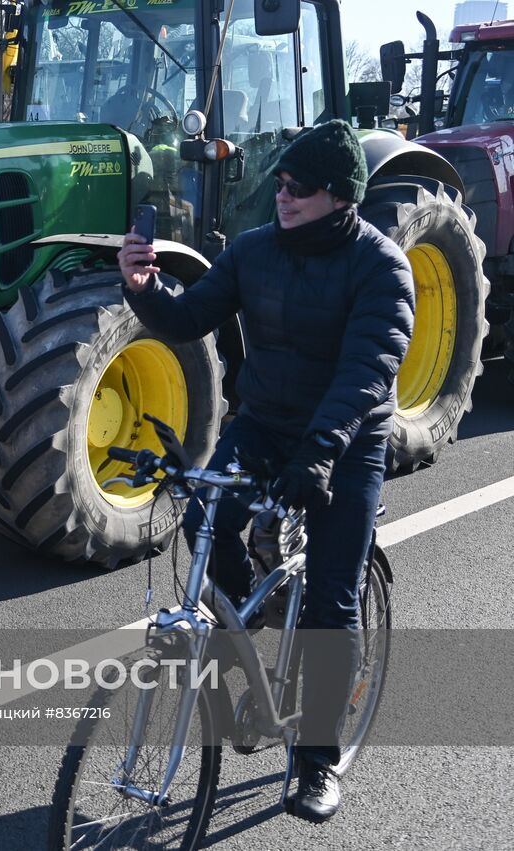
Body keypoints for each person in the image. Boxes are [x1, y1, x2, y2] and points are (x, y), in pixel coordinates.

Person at [117, 119, 414, 823]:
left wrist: (321, 451)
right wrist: (141, 287)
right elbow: (189, 317)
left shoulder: (381, 267)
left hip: (345, 436)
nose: (283, 196)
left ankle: (316, 761)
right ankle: (247, 615)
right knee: (199, 515)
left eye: (300, 187)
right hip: (265, 422)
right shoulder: (254, 251)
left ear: (340, 196)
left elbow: (368, 369)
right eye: (280, 183)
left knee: (333, 601)